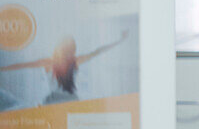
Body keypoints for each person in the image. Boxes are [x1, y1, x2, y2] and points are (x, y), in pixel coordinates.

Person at [0, 31, 129, 106]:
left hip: (59, 99)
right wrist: (119, 41)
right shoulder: (72, 61)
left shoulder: (52, 62)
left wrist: (119, 41)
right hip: (68, 99)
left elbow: (22, 65)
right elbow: (98, 52)